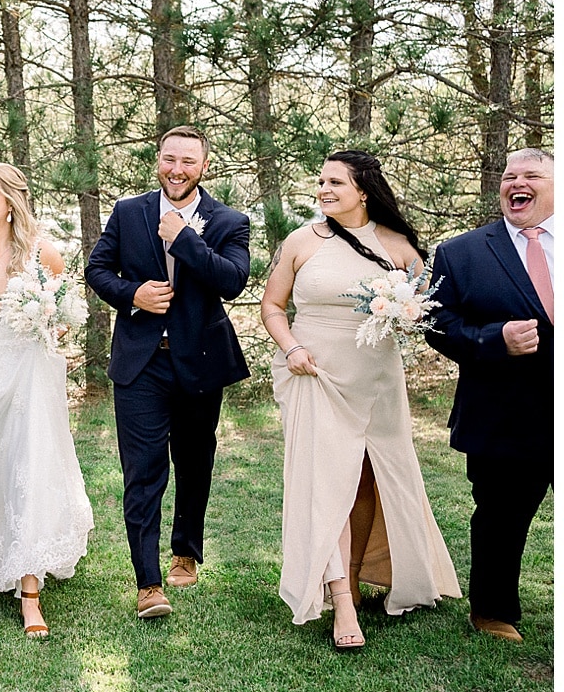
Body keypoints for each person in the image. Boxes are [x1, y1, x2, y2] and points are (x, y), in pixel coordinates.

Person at [261, 150, 460, 650]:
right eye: (321, 181)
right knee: (326, 483)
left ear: (364, 190)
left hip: (376, 379)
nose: (324, 190)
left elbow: (427, 307)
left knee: (372, 480)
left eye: (336, 183)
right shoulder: (302, 241)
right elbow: (272, 305)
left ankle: (365, 571)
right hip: (315, 373)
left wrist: (406, 313)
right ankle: (342, 599)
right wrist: (293, 349)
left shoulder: (397, 245)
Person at [85, 125, 250, 619]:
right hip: (141, 362)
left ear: (204, 166)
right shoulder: (129, 211)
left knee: (195, 461)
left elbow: (233, 281)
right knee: (142, 470)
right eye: (169, 159)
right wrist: (131, 293)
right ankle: (148, 582)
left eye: (188, 162)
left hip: (200, 360)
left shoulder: (228, 220)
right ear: (157, 159)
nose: (177, 170)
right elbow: (97, 269)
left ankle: (185, 549)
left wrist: (184, 240)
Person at [0, 163, 94, 639]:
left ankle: (30, 593)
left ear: (11, 200)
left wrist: (48, 326)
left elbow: (63, 317)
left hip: (28, 377)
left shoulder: (44, 254)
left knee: (28, 470)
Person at [425, 148, 554, 644]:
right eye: (508, 176)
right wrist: (492, 339)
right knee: (500, 514)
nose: (516, 183)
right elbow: (438, 324)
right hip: (503, 412)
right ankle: (493, 611)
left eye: (531, 175)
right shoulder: (461, 252)